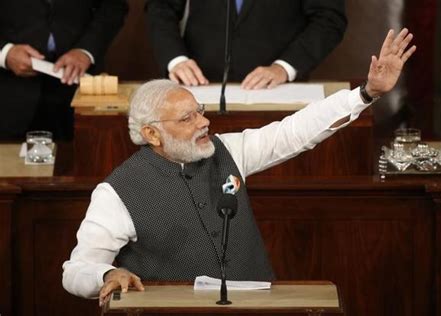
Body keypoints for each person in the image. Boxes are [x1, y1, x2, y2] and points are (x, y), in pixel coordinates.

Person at [62, 29, 416, 306]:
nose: (204, 123)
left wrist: (366, 93)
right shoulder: (117, 192)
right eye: (188, 118)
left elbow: (294, 132)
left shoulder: (227, 149)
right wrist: (107, 273)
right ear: (152, 133)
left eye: (200, 110)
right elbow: (76, 269)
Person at [0, 0, 129, 140]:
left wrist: (86, 50)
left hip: (79, 90)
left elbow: (113, 5)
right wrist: (5, 53)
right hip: (8, 92)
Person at [145, 0, 347, 89]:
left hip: (277, 93)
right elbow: (161, 7)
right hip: (199, 87)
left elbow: (328, 19)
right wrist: (175, 59)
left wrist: (284, 67)